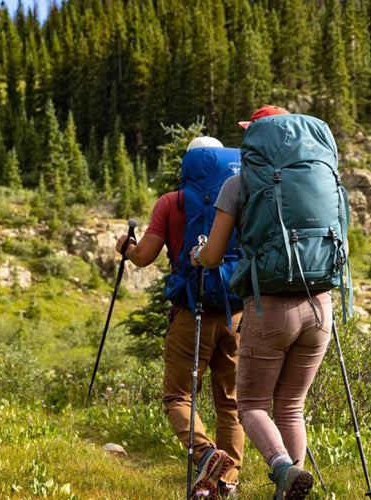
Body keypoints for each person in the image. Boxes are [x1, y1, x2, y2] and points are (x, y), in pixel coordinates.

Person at [190, 106, 334, 500]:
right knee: (291, 406)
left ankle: (283, 469)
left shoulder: (238, 184)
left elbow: (214, 255)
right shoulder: (320, 177)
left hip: (270, 306)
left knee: (252, 405)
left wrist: (198, 255)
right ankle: (291, 487)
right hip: (320, 305)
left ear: (256, 137)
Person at [116, 136, 244, 499]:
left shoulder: (171, 202)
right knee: (230, 401)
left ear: (187, 165)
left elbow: (144, 257)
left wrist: (127, 248)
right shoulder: (239, 196)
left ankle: (205, 455)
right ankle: (227, 481)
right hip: (236, 311)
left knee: (178, 396)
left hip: (192, 309)